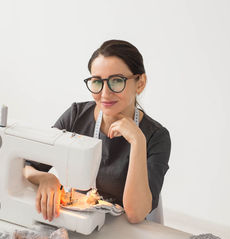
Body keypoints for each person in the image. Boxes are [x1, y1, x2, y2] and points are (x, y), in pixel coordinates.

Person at [23, 40, 171, 224]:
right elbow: (26, 166)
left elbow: (136, 214)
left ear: (140, 83)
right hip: (83, 223)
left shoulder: (156, 137)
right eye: (97, 81)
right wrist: (45, 177)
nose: (105, 93)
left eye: (117, 81)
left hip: (125, 232)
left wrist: (137, 141)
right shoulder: (76, 116)